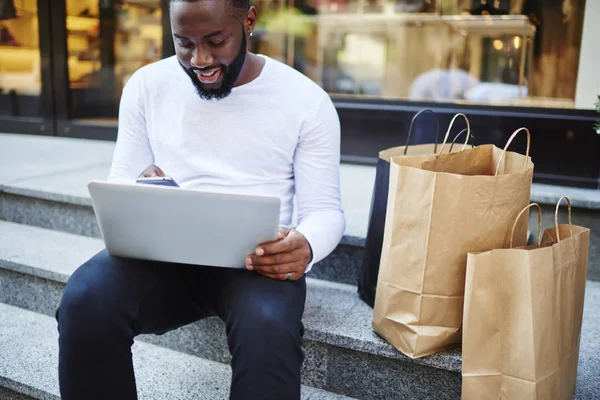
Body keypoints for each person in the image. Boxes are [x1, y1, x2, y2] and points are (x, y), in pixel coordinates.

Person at [55, 0, 345, 399]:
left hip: (257, 263)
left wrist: (307, 245)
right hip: (163, 254)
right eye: (184, 43)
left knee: (267, 326)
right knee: (85, 299)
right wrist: (139, 188)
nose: (200, 59)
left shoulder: (306, 100)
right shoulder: (146, 85)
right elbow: (121, 180)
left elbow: (325, 210)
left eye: (216, 40)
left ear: (248, 21)